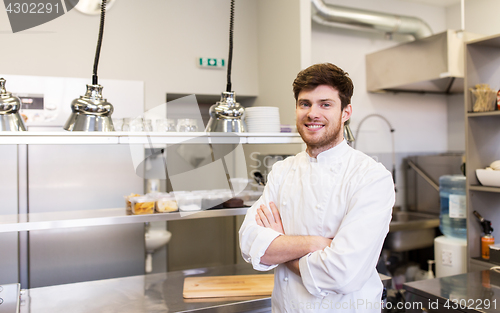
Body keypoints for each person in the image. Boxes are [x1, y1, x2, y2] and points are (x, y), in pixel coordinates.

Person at [239, 63, 395, 312]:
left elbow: (341, 273)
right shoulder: (282, 171)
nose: (312, 113)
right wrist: (317, 243)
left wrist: (281, 245)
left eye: (325, 104)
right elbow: (250, 243)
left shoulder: (370, 177)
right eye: (305, 104)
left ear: (346, 112)